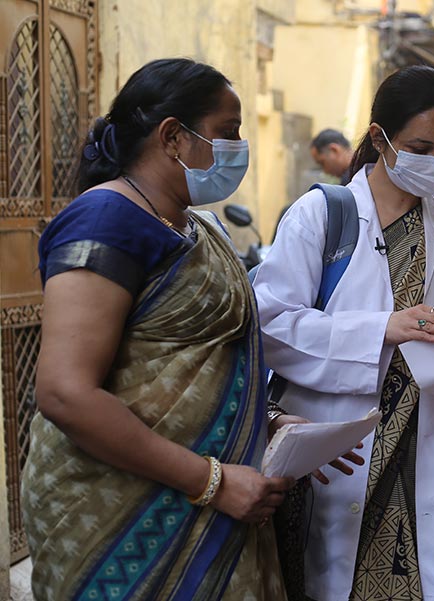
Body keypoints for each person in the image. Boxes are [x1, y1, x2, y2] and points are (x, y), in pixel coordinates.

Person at [253, 64, 434, 601]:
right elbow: (270, 326)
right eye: (421, 147)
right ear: (379, 138)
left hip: (417, 460)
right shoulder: (321, 216)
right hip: (335, 456)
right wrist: (381, 329)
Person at [22, 58, 296, 601]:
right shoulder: (107, 221)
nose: (237, 148)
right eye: (226, 133)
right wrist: (212, 482)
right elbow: (64, 392)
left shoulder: (198, 227)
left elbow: (200, 361)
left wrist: (266, 421)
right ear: (173, 136)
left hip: (206, 498)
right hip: (115, 515)